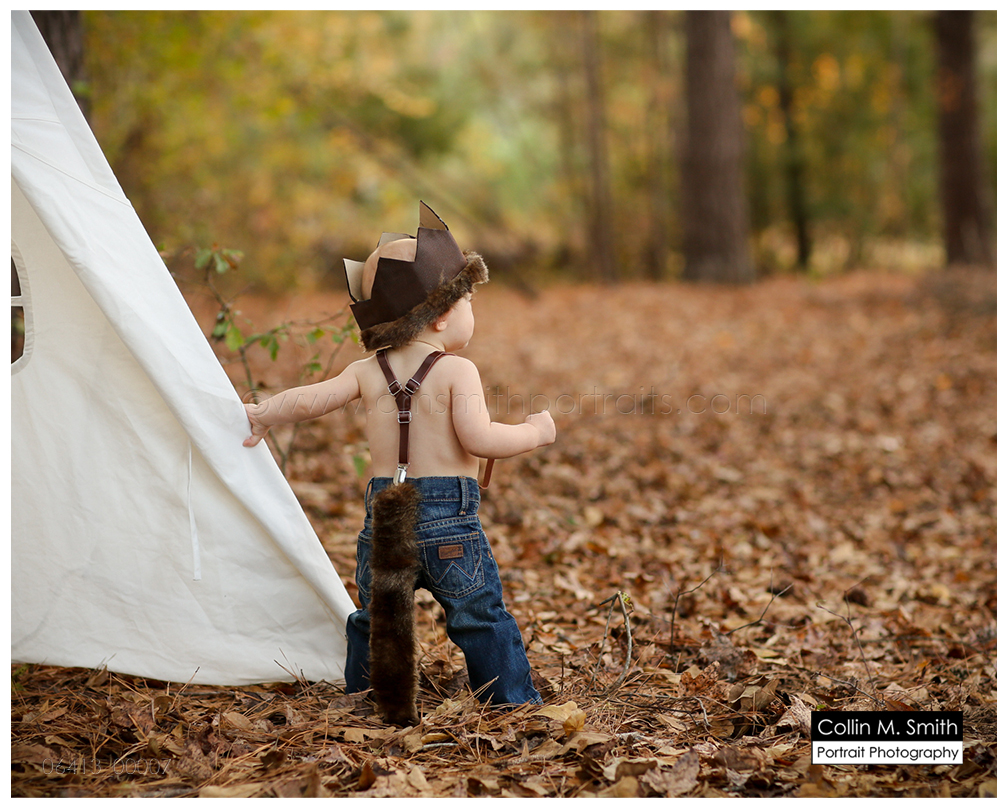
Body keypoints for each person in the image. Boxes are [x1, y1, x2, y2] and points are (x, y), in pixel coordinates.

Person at [243, 202, 555, 725]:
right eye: (469, 301)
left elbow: (313, 398)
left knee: (377, 618)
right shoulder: (457, 370)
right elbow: (481, 438)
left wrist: (263, 414)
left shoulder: (368, 370)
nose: (472, 312)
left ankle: (368, 698)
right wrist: (534, 433)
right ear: (441, 315)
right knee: (478, 615)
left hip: (385, 516)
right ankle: (511, 704)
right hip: (448, 521)